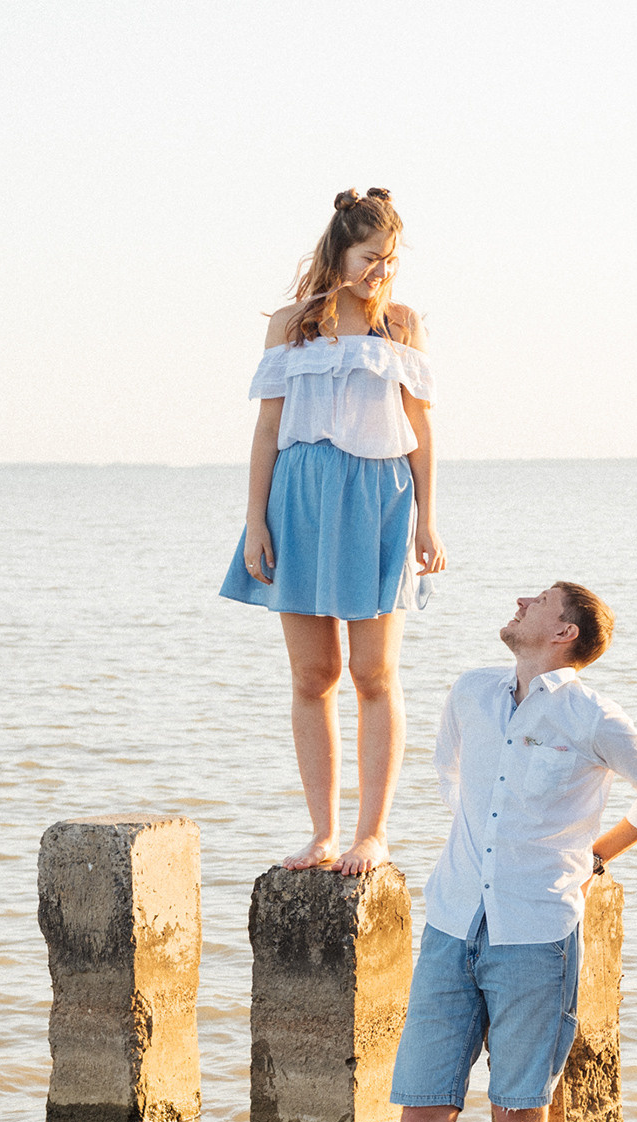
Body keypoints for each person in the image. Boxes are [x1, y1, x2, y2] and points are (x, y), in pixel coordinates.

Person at [386, 583, 637, 1122]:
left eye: (542, 599)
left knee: (520, 1119)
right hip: (450, 923)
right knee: (421, 1116)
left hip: (536, 936)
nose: (522, 599)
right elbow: (447, 770)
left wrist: (595, 856)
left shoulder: (592, 716)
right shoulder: (471, 691)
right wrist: (478, 843)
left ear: (565, 632)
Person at [219, 188, 447, 874]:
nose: (381, 272)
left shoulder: (401, 325)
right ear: (339, 251)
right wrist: (254, 521)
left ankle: (371, 833)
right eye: (370, 258)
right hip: (300, 498)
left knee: (374, 672)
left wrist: (428, 520)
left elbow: (422, 430)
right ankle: (322, 833)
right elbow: (266, 431)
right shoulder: (292, 325)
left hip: (380, 498)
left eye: (390, 260)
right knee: (313, 674)